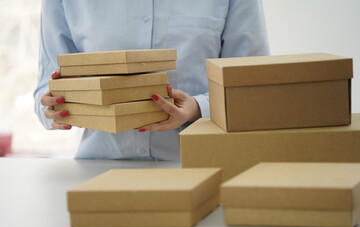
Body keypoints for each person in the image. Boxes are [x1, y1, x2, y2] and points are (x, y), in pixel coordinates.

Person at [34, 0, 269, 161]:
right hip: (99, 170)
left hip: (202, 168)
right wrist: (55, 106)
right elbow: (46, 88)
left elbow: (254, 88)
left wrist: (199, 108)